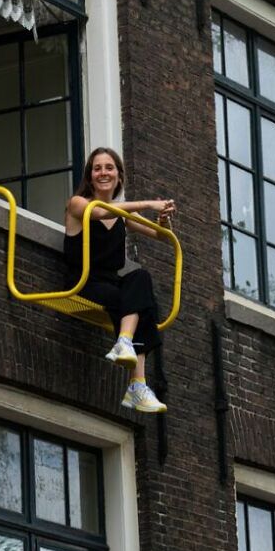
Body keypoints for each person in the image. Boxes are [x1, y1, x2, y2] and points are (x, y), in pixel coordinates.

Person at [64, 147, 175, 413]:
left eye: (109, 167)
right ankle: (137, 384)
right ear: (90, 177)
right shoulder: (78, 203)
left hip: (111, 284)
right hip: (83, 283)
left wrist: (163, 220)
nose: (103, 173)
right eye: (97, 168)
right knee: (138, 303)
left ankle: (125, 344)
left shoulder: (124, 215)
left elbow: (161, 236)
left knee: (141, 279)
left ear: (119, 175)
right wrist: (148, 204)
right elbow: (100, 212)